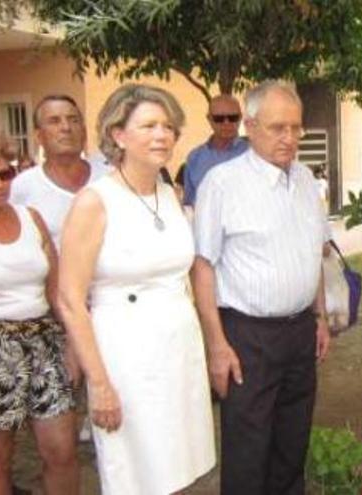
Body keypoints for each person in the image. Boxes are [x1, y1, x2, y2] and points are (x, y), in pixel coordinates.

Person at [56, 84, 215, 494]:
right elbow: (70, 300)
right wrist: (100, 384)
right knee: (136, 474)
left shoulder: (171, 195)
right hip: (125, 358)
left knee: (177, 470)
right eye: (148, 125)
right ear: (118, 135)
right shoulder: (95, 201)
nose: (162, 135)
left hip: (178, 351)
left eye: (168, 126)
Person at [192, 80, 331, 495]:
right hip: (247, 337)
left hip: (299, 333)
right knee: (248, 452)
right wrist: (217, 346)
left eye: (296, 127)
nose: (289, 138)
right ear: (250, 126)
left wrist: (320, 317)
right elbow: (202, 269)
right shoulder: (222, 184)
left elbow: (314, 254)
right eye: (277, 128)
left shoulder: (307, 179)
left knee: (292, 445)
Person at [0, 124, 79, 494]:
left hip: (44, 340)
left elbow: (55, 288)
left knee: (62, 450)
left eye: (4, 173)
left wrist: (71, 342)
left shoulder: (30, 217)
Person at [10, 94, 108, 248]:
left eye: (73, 120)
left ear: (84, 131)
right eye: (54, 121)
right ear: (38, 136)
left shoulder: (111, 176)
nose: (66, 128)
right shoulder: (21, 188)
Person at [182, 94, 249, 207]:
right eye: (219, 119)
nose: (226, 123)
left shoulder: (254, 154)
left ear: (240, 118)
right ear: (209, 119)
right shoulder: (195, 158)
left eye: (233, 118)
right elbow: (189, 203)